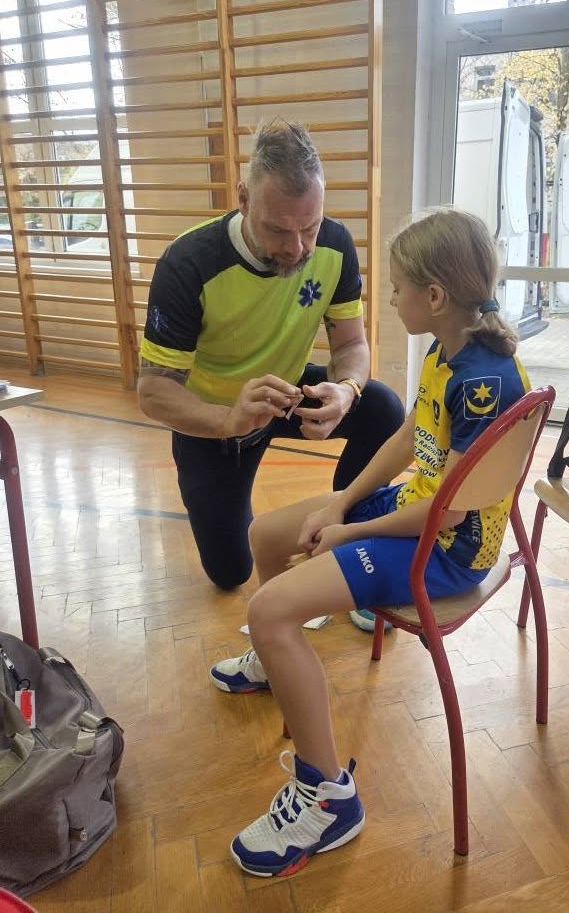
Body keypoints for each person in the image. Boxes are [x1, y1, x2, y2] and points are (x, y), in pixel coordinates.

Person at [209, 208, 531, 877]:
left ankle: (328, 796)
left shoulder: (484, 382)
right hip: (420, 516)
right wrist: (341, 500)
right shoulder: (449, 350)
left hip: (444, 554)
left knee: (270, 611)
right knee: (267, 533)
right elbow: (408, 436)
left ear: (434, 295)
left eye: (396, 287)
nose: (389, 298)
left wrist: (350, 530)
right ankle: (275, 661)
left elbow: (447, 517)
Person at [137, 120, 404, 597]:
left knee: (381, 407)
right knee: (230, 573)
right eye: (278, 229)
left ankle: (343, 525)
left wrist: (346, 390)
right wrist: (228, 420)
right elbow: (154, 391)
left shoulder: (336, 245)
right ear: (243, 198)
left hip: (286, 395)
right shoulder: (188, 263)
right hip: (216, 420)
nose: (296, 248)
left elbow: (351, 347)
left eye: (310, 228)